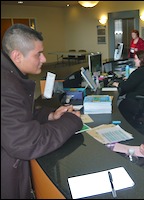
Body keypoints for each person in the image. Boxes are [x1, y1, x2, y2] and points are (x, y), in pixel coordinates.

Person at [1, 24, 83, 199]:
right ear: (17, 56)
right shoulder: (6, 87)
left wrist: (50, 115)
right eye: (38, 54)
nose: (44, 59)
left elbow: (20, 114)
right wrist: (71, 120)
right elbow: (27, 142)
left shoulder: (10, 76)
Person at [112, 50, 144, 129]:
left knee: (122, 105)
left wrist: (118, 84)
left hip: (141, 103)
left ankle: (129, 128)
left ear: (142, 60)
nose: (134, 61)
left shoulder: (140, 72)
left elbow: (126, 87)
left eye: (136, 59)